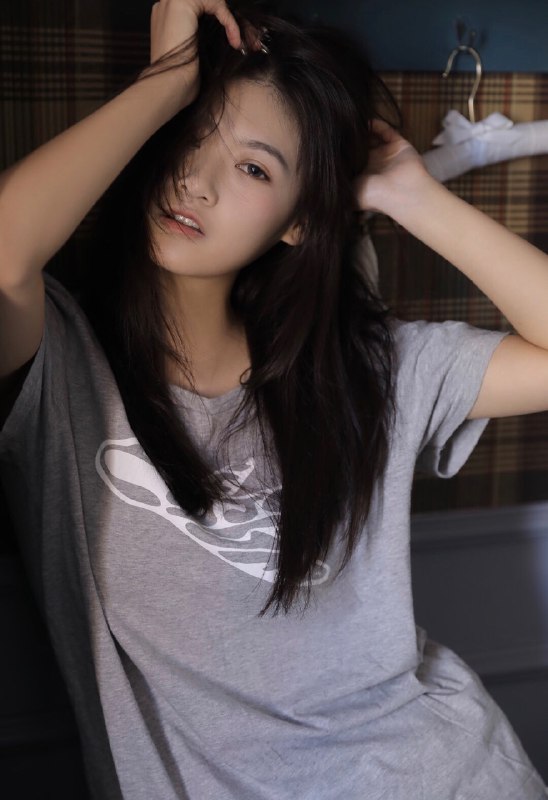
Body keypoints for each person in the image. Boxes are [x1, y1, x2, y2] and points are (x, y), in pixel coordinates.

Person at [0, 1, 547, 798]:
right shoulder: (62, 364)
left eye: (254, 169)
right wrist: (164, 83)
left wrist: (413, 197)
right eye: (190, 135)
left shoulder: (366, 370)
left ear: (299, 222)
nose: (197, 181)